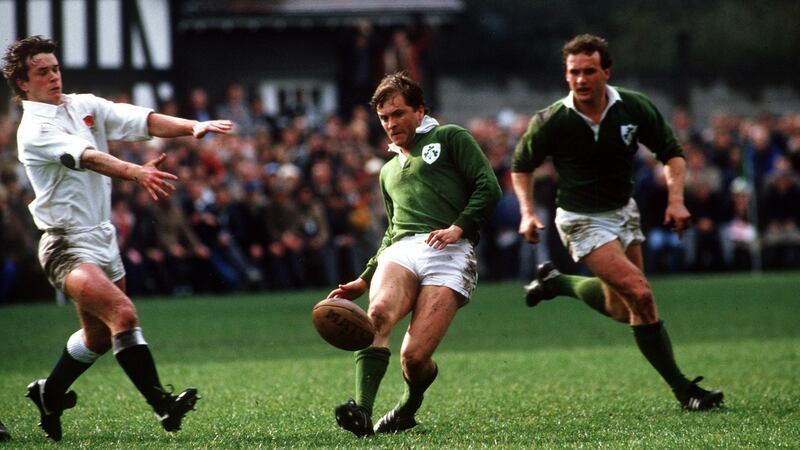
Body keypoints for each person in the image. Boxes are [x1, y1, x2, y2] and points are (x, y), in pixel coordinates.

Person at [2, 35, 232, 441]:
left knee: (98, 336)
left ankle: (49, 392)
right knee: (123, 315)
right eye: (42, 72)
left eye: (55, 68)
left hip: (103, 238)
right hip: (64, 244)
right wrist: (136, 172)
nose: (53, 77)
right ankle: (163, 404)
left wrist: (192, 127)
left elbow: (140, 119)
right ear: (23, 83)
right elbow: (89, 157)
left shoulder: (82, 104)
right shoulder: (35, 128)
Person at [510, 34, 724, 411]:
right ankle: (683, 389)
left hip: (625, 214)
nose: (581, 79)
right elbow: (521, 167)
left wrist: (676, 200)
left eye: (589, 71)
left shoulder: (633, 108)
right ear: (566, 75)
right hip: (580, 219)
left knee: (623, 308)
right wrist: (527, 212)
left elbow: (672, 154)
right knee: (641, 294)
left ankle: (557, 283)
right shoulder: (551, 120)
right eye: (573, 72)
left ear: (606, 71)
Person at [328, 72, 501, 437]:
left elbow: (489, 186)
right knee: (376, 315)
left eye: (398, 114)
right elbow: (392, 231)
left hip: (451, 251)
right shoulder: (388, 170)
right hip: (403, 251)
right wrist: (364, 277)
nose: (391, 124)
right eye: (384, 118)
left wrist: (459, 227)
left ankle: (408, 405)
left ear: (420, 111)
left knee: (414, 358)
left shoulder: (450, 137)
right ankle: (362, 411)